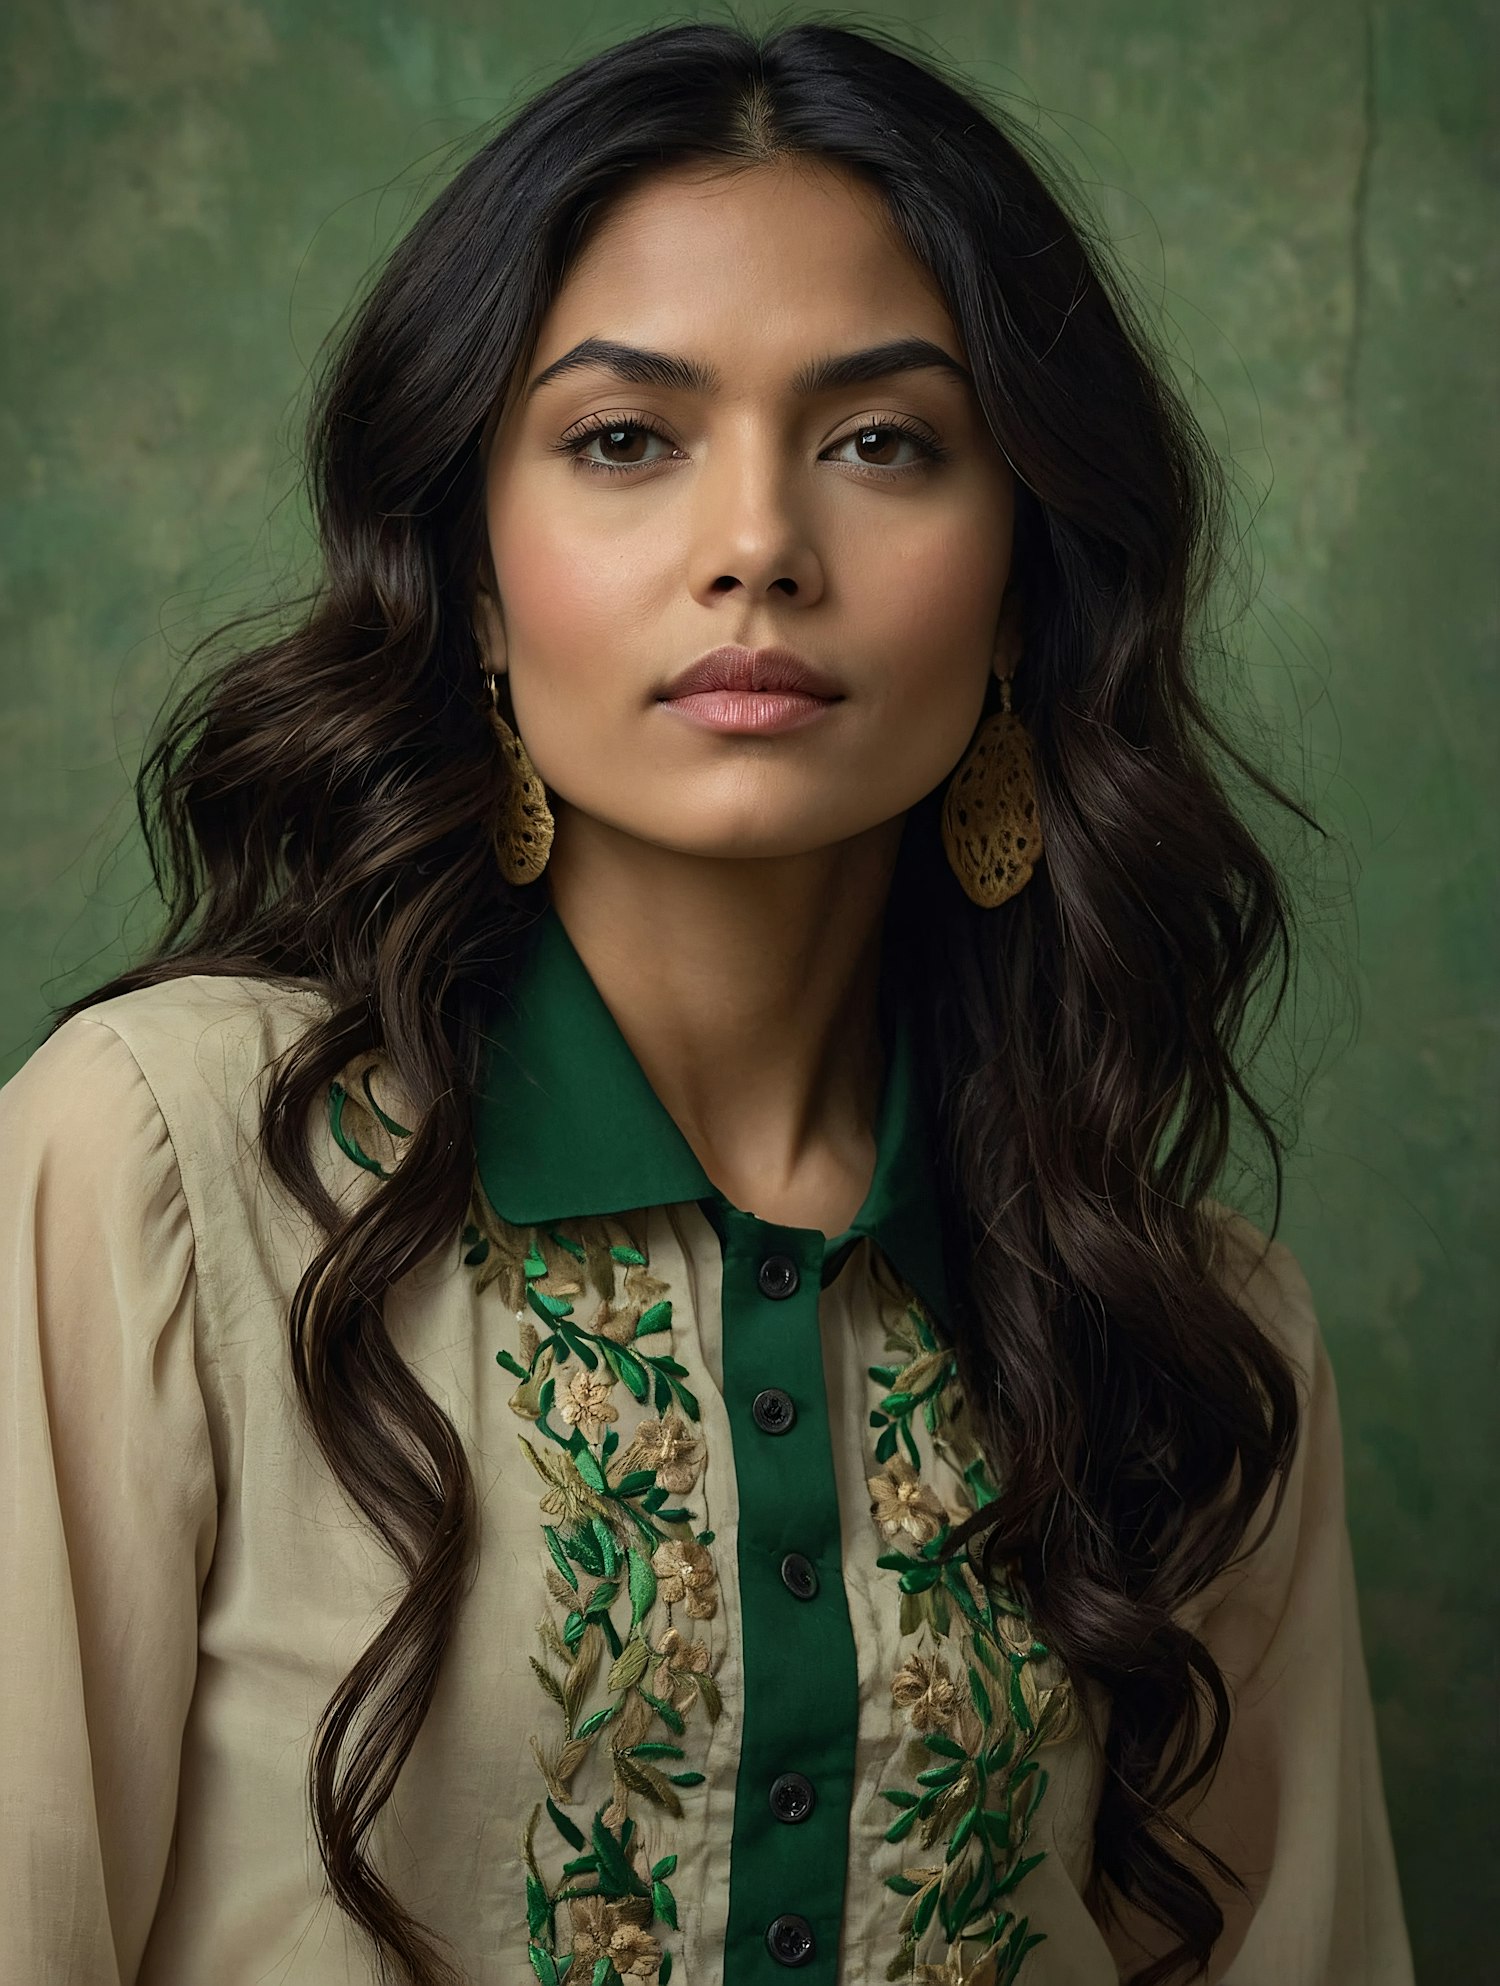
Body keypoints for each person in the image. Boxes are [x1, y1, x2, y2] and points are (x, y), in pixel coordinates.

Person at [0, 18, 1414, 1986]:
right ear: (477, 583)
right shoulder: (157, 1169)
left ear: (1021, 585)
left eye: (882, 443)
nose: (757, 546)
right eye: (625, 440)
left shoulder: (1178, 1322)